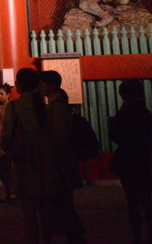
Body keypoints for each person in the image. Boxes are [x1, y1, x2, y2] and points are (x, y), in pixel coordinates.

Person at [3, 68, 60, 244]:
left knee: (29, 213)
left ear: (21, 84)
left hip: (25, 164)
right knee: (45, 211)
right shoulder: (46, 106)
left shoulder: (14, 106)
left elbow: (6, 138)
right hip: (47, 164)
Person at [39, 69, 85, 244]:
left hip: (61, 163)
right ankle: (74, 235)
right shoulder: (55, 103)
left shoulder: (57, 105)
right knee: (64, 203)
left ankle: (75, 236)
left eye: (43, 83)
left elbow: (61, 135)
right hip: (61, 162)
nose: (40, 86)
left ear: (53, 85)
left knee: (63, 203)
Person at [108, 79, 152, 244]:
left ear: (123, 95)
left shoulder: (123, 114)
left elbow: (117, 138)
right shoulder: (146, 113)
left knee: (133, 203)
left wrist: (111, 125)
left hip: (128, 162)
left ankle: (137, 237)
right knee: (147, 201)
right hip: (144, 161)